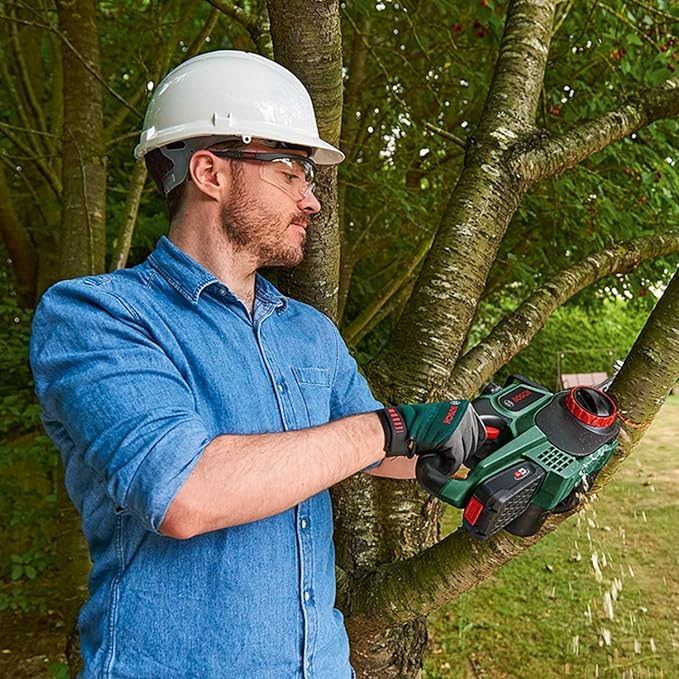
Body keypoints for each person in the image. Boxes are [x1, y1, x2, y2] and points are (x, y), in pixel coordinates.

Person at [30, 51, 485, 678]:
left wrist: (485, 453)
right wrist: (389, 428)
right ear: (210, 172)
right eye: (292, 172)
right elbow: (184, 491)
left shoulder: (308, 332)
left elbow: (377, 447)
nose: (313, 201)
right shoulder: (97, 317)